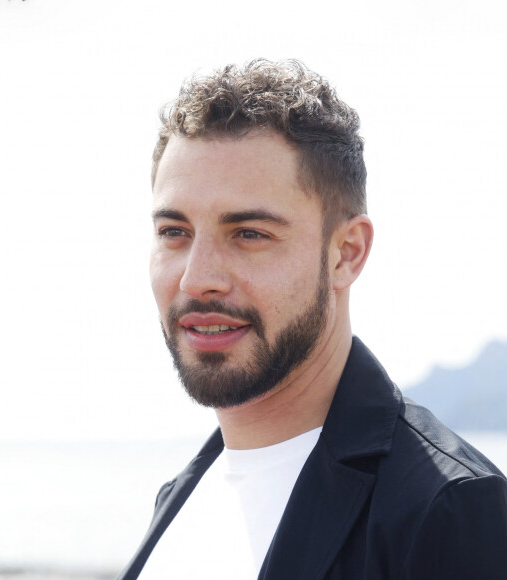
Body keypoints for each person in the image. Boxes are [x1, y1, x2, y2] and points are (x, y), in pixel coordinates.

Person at [118, 60, 507, 580]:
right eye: (174, 232)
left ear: (346, 253)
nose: (196, 279)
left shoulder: (445, 509)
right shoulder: (182, 498)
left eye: (249, 233)